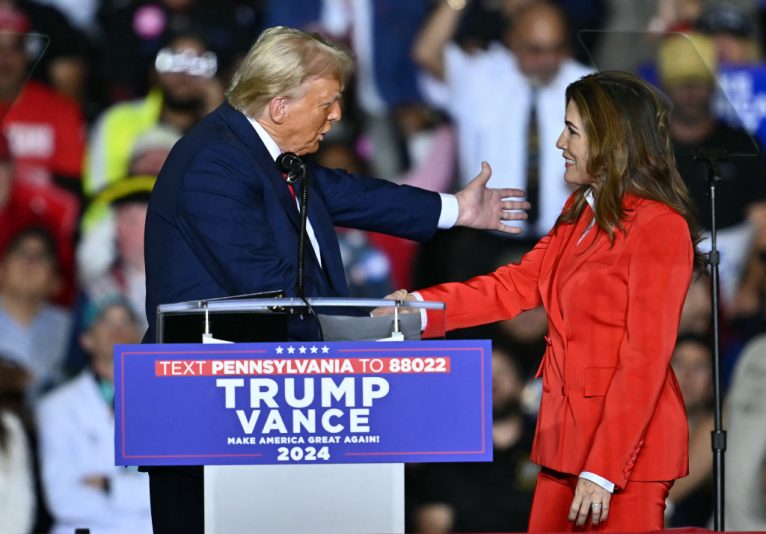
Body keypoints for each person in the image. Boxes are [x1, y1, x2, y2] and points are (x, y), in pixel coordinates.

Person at [143, 25, 528, 533]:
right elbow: (268, 292)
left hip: (266, 410)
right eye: (328, 102)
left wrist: (455, 208)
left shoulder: (260, 152)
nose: (338, 115)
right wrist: (367, 335)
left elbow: (353, 194)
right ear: (280, 106)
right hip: (208, 416)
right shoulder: (214, 164)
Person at [382, 70, 701, 531]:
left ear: (611, 141)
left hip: (624, 455)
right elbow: (514, 286)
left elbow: (645, 358)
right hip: (563, 440)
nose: (558, 142)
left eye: (572, 131)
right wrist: (417, 311)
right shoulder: (578, 211)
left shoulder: (660, 227)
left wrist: (603, 470)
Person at [36, 298, 152, 534]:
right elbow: (63, 500)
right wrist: (138, 496)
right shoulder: (56, 407)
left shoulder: (168, 401)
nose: (118, 330)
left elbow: (174, 490)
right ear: (86, 340)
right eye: (106, 322)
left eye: (126, 321)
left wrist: (109, 486)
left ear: (141, 336)